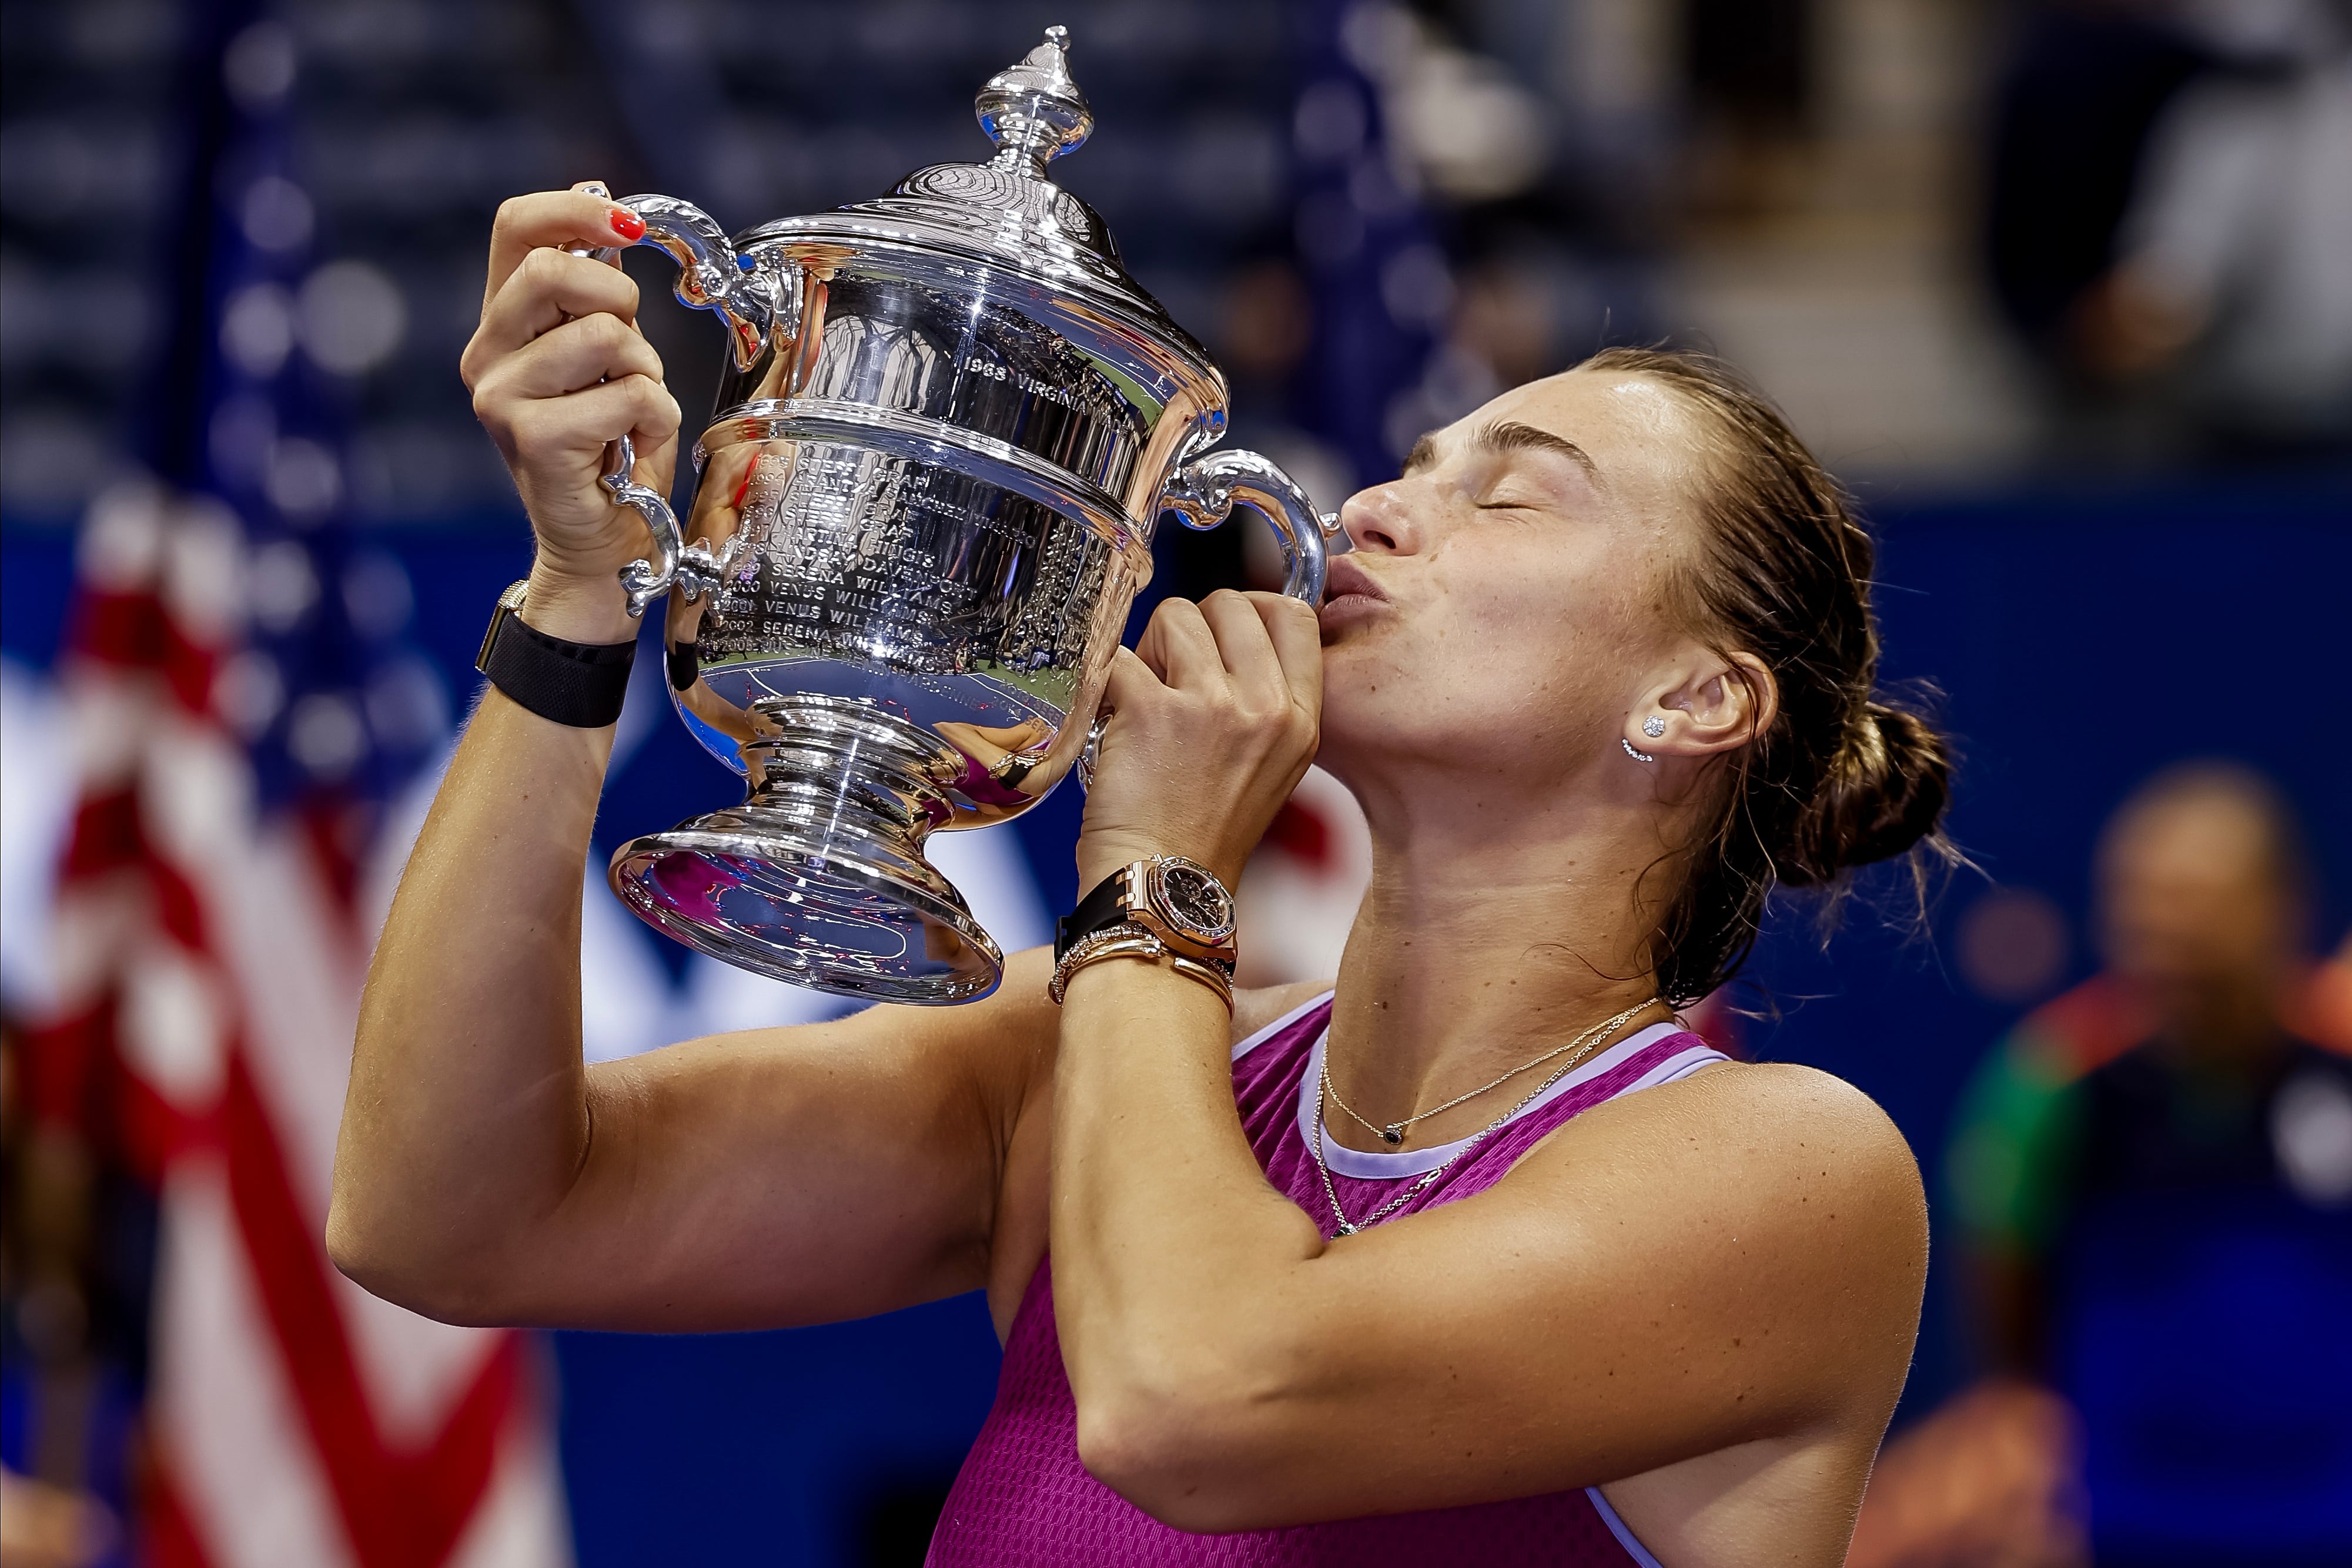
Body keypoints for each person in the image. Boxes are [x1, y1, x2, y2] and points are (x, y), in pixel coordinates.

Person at [330, 185, 1952, 1564]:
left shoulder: (1789, 1171)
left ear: (1695, 699)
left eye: (1508, 492)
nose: (1380, 505)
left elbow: (1191, 1395)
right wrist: (579, 592)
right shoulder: (1088, 1055)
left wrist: (1158, 870)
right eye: (1414, 463)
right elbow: (449, 1219)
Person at [1944, 764, 2352, 1565]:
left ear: (2283, 906)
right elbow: (2005, 1291)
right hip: (2124, 1522)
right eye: (2143, 899)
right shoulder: (2049, 1083)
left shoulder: (2340, 1060)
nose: (2168, 930)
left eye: (2198, 900)